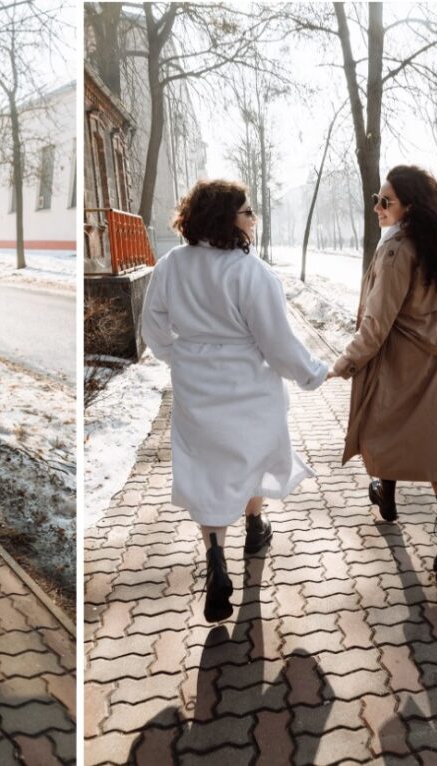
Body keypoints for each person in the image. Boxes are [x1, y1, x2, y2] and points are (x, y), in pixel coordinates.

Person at [141, 179, 328, 623]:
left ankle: (216, 558)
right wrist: (313, 372)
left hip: (195, 389)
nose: (252, 219)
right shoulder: (250, 272)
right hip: (249, 385)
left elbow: (152, 328)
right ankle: (254, 528)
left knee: (208, 470)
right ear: (227, 218)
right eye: (247, 212)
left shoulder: (170, 266)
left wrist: (182, 358)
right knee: (251, 458)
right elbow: (277, 342)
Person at [329, 165, 437, 572]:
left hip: (397, 361)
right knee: (433, 443)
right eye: (376, 200)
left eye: (386, 202)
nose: (377, 208)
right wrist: (432, 311)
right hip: (432, 363)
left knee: (382, 426)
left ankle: (388, 500)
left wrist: (345, 362)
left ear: (409, 207)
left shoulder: (396, 249)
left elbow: (377, 322)